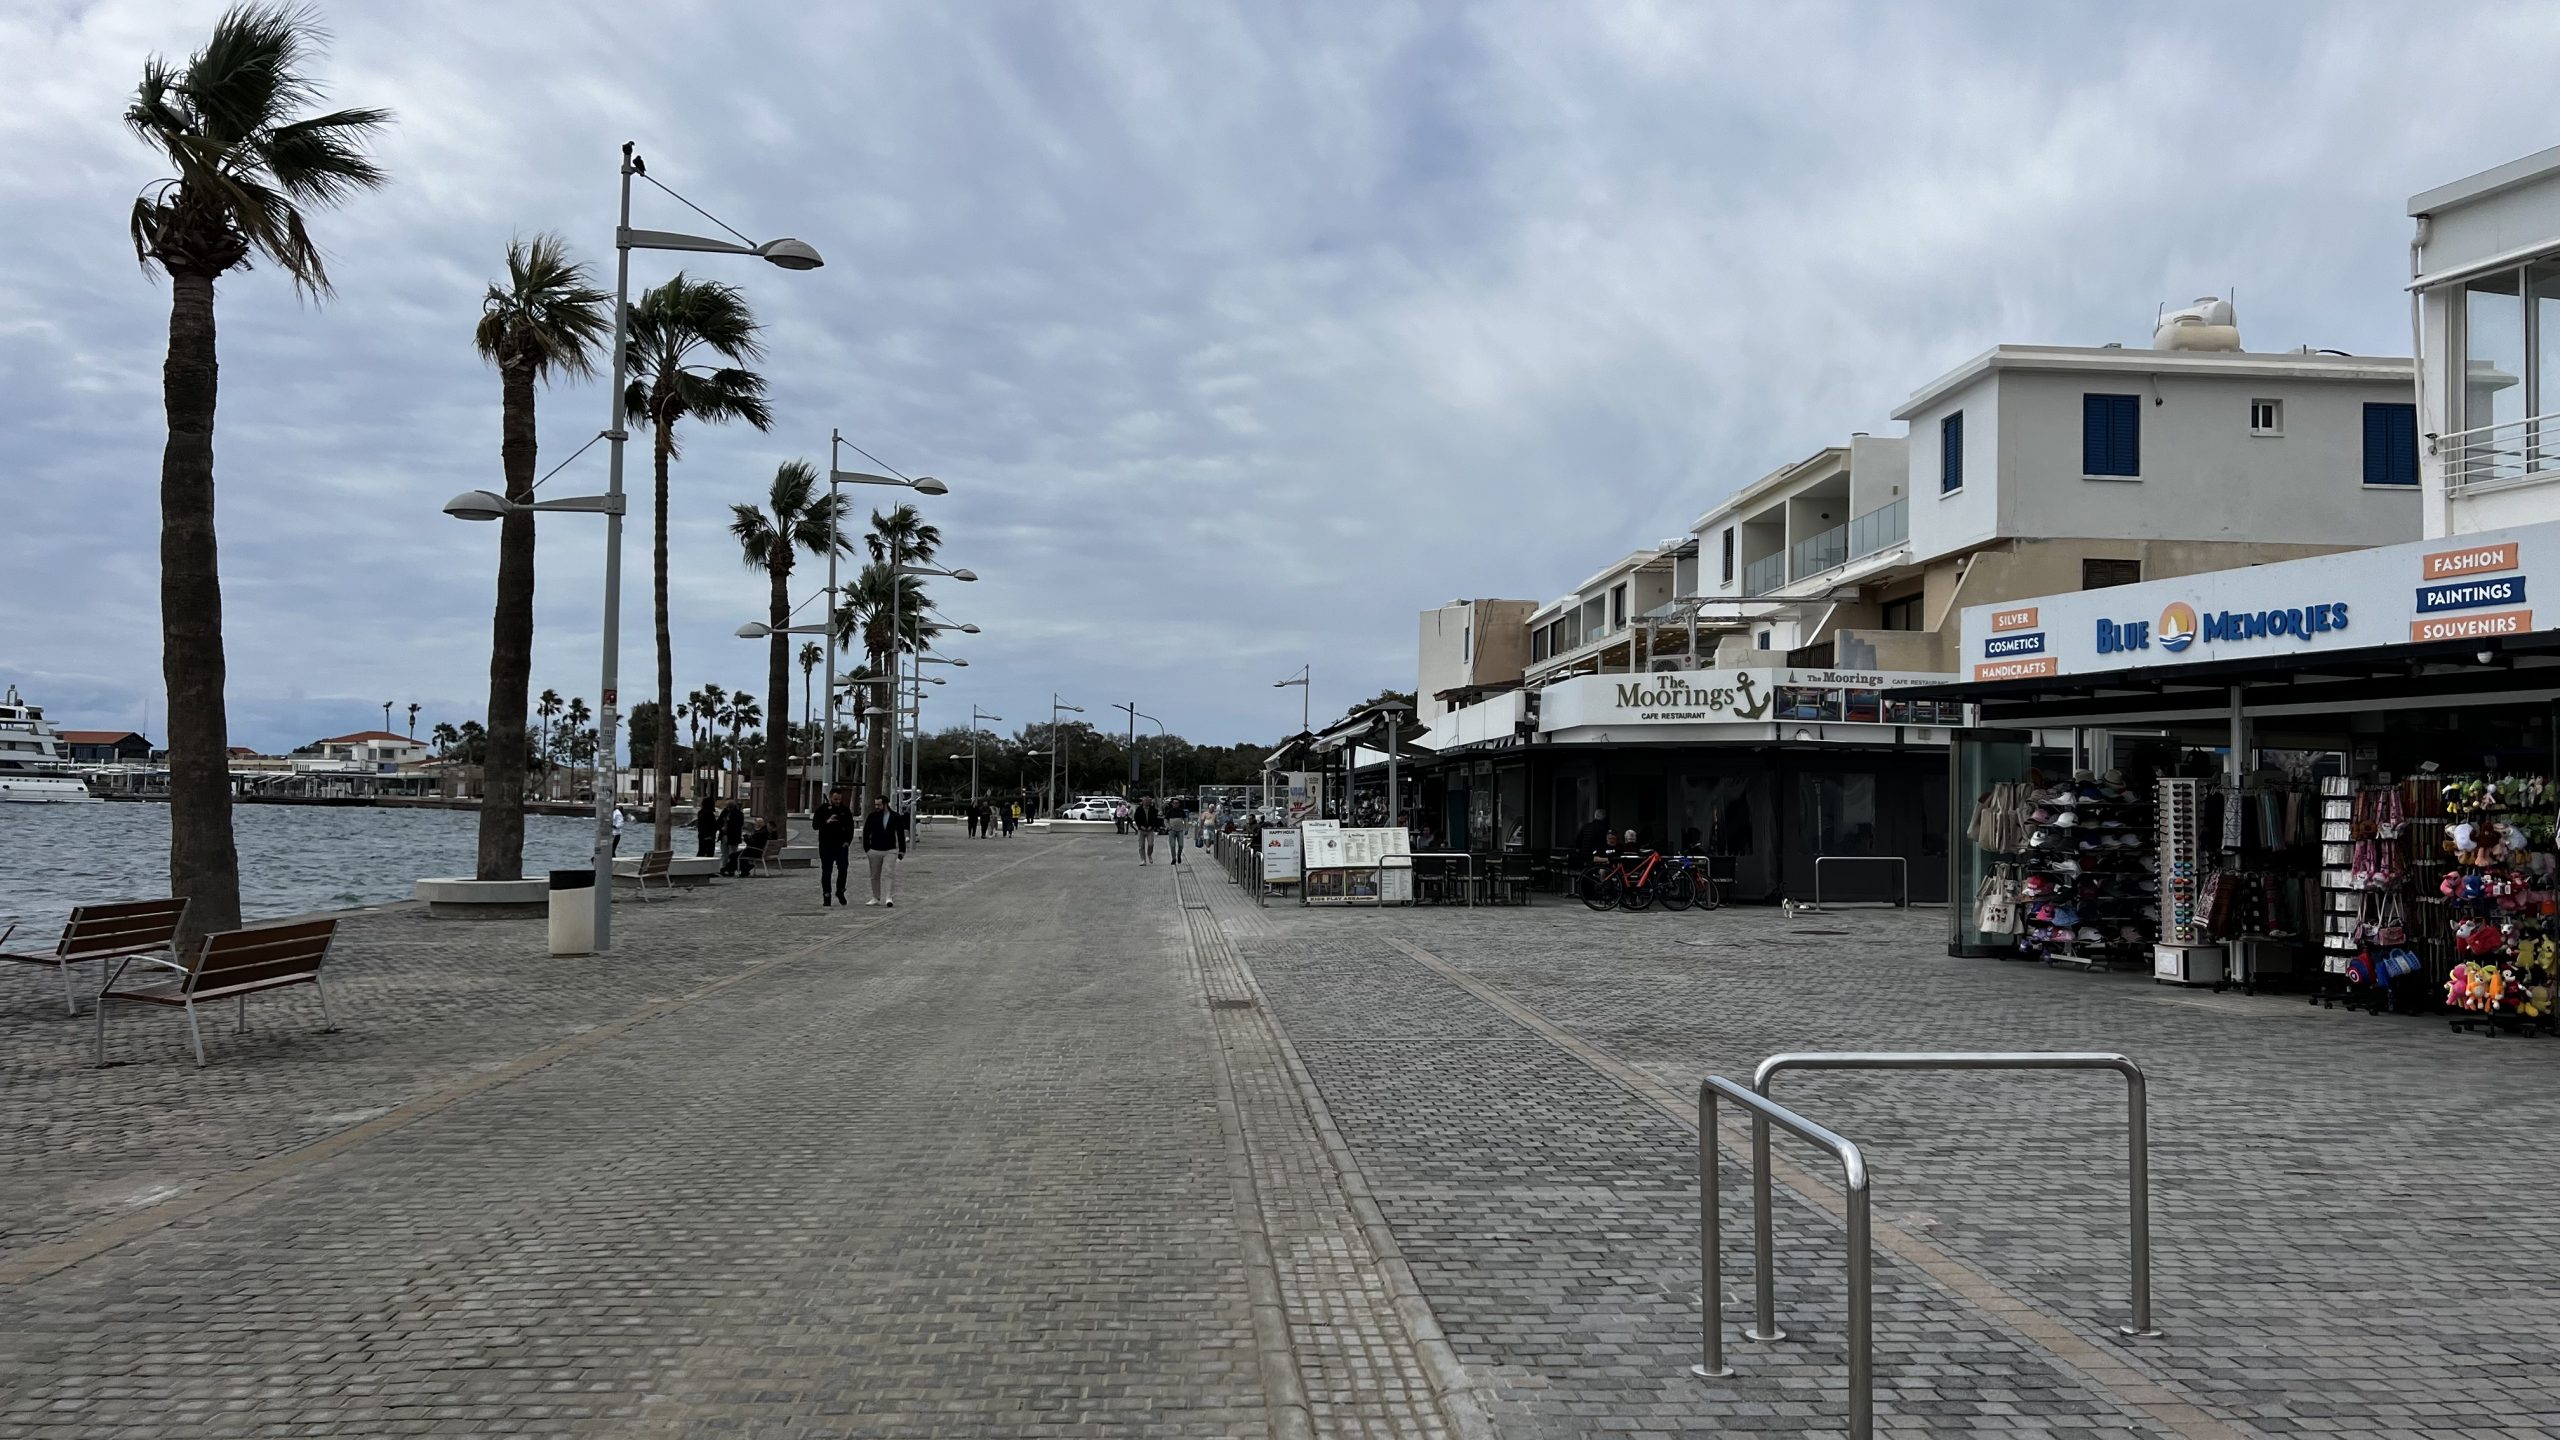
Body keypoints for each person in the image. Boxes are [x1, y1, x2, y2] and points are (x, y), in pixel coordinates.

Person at [813, 785, 856, 906]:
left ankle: (840, 890)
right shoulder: (822, 809)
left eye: (839, 799)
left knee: (843, 869)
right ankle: (826, 894)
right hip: (826, 845)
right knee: (826, 871)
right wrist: (827, 821)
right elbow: (815, 825)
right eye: (835, 799)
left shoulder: (845, 810)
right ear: (831, 797)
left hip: (841, 845)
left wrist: (848, 841)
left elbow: (850, 827)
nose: (837, 801)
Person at [862, 794, 906, 906]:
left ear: (885, 804)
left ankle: (888, 897)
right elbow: (866, 832)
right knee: (874, 875)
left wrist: (902, 849)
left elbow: (900, 833)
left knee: (888, 873)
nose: (877, 807)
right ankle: (875, 897)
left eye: (879, 804)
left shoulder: (895, 816)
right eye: (875, 804)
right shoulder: (872, 816)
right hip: (874, 850)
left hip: (890, 849)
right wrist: (867, 848)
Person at [719, 797, 746, 876]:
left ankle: (731, 869)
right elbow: (719, 821)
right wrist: (721, 828)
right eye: (727, 806)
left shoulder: (738, 814)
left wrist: (728, 825)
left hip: (733, 836)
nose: (728, 808)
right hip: (725, 835)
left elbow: (739, 825)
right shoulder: (724, 812)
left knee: (732, 853)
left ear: (733, 806)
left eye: (729, 806)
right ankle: (724, 868)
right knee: (724, 853)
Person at [1132, 793, 1161, 864]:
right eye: (1145, 801)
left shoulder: (1153, 809)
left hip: (1150, 830)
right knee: (1141, 845)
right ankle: (1143, 860)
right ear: (1143, 801)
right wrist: (1140, 826)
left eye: (1148, 801)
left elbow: (1155, 819)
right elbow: (1136, 818)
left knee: (1151, 844)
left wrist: (1152, 826)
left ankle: (1149, 854)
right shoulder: (1139, 809)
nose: (1147, 802)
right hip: (1141, 829)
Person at [1165, 794, 1190, 865]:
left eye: (1177, 803)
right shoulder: (1169, 811)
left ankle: (1179, 855)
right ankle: (1174, 858)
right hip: (1172, 830)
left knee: (1181, 845)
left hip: (1180, 830)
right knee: (1172, 845)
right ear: (1172, 804)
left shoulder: (1181, 811)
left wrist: (1186, 829)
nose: (1176, 804)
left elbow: (1185, 820)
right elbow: (1166, 820)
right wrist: (1168, 826)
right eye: (1175, 803)